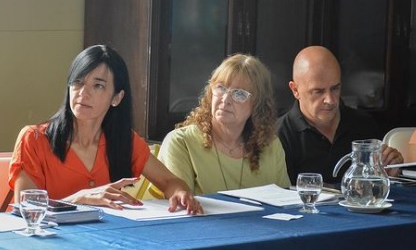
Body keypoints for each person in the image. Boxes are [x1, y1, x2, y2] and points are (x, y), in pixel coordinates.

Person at [9, 45, 202, 214]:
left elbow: (169, 182)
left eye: (98, 86)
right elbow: (27, 210)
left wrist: (181, 193)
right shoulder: (33, 138)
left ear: (117, 98)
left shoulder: (124, 140)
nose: (83, 93)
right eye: (78, 82)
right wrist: (78, 199)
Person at [158, 54, 291, 195]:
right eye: (220, 88)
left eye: (239, 94)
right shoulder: (180, 142)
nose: (226, 99)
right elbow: (181, 209)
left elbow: (286, 202)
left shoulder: (271, 145)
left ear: (257, 104)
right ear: (210, 93)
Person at [277, 46, 403, 185]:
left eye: (335, 88)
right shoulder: (278, 137)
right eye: (318, 91)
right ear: (295, 90)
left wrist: (390, 174)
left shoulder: (363, 125)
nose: (330, 100)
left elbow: (377, 187)